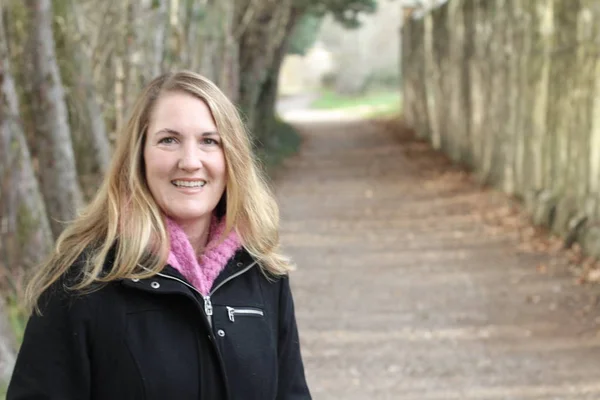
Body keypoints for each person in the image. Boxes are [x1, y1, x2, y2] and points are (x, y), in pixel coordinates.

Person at [7, 71, 312, 400]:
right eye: (169, 140)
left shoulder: (262, 273)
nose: (190, 162)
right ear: (139, 155)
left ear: (232, 158)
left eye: (209, 141)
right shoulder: (81, 282)